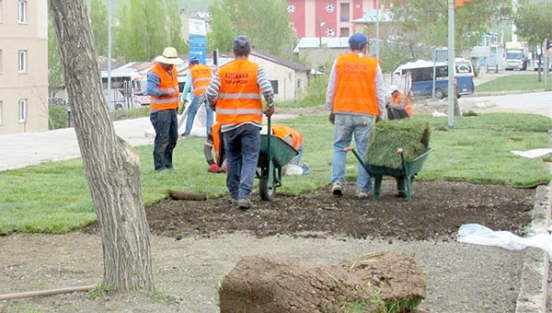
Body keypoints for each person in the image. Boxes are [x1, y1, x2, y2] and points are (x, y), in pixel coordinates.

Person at [206, 35, 275, 210]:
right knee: (250, 159)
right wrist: (270, 105)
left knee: (233, 158)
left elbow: (210, 92)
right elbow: (267, 89)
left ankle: (234, 195)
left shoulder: (222, 70)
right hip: (251, 122)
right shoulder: (255, 69)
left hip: (228, 123)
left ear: (233, 51)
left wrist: (213, 104)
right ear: (249, 51)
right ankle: (244, 196)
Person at [326, 33, 386, 199]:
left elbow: (331, 88)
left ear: (350, 45)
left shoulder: (340, 62)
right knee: (364, 150)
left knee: (339, 147)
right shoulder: (373, 64)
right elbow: (380, 91)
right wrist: (381, 112)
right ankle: (362, 189)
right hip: (365, 113)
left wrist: (330, 109)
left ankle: (337, 182)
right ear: (365, 46)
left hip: (342, 111)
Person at [147, 47, 183, 171]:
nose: (172, 65)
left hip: (171, 109)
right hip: (160, 111)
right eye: (170, 63)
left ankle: (168, 163)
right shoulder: (154, 72)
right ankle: (159, 166)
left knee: (173, 138)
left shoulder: (173, 70)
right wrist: (165, 92)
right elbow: (150, 90)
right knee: (162, 139)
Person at [181, 57, 214, 137]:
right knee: (209, 113)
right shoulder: (208, 69)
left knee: (192, 112)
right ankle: (209, 133)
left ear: (190, 65)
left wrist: (183, 97)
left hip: (200, 93)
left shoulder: (192, 71)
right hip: (210, 93)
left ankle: (187, 131)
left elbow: (187, 85)